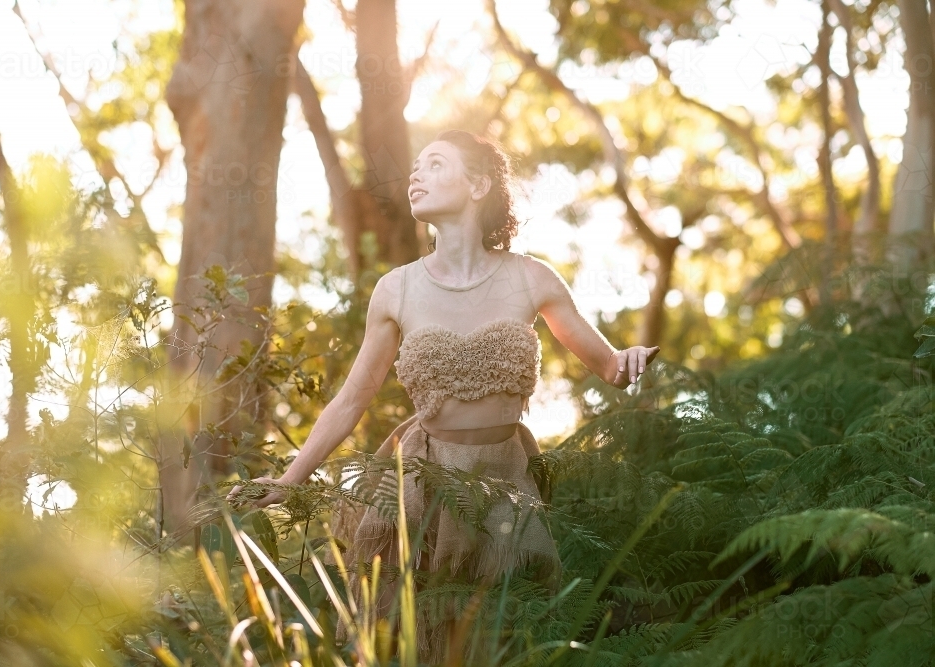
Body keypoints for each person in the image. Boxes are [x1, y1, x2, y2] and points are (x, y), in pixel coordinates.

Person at [228, 129, 660, 662]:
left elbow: (610, 369)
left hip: (505, 489)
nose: (415, 175)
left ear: (478, 184)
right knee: (418, 643)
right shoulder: (397, 289)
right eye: (415, 167)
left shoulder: (532, 278)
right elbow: (351, 400)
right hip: (420, 490)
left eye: (434, 165)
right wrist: (289, 481)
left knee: (503, 643)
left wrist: (631, 359)